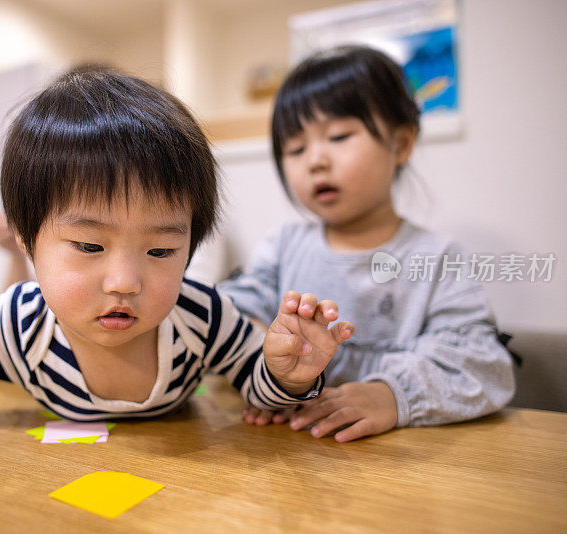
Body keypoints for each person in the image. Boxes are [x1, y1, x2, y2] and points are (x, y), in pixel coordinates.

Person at [0, 68, 354, 463]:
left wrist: (286, 374)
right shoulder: (17, 321)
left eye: (161, 252)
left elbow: (257, 391)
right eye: (89, 247)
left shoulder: (201, 315)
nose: (124, 282)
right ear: (27, 242)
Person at [219, 46, 515, 443]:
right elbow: (225, 318)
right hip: (293, 455)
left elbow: (483, 366)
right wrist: (268, 369)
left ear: (402, 144)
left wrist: (391, 396)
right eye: (295, 148)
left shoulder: (436, 258)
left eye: (338, 136)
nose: (315, 161)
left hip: (407, 461)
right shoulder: (284, 245)